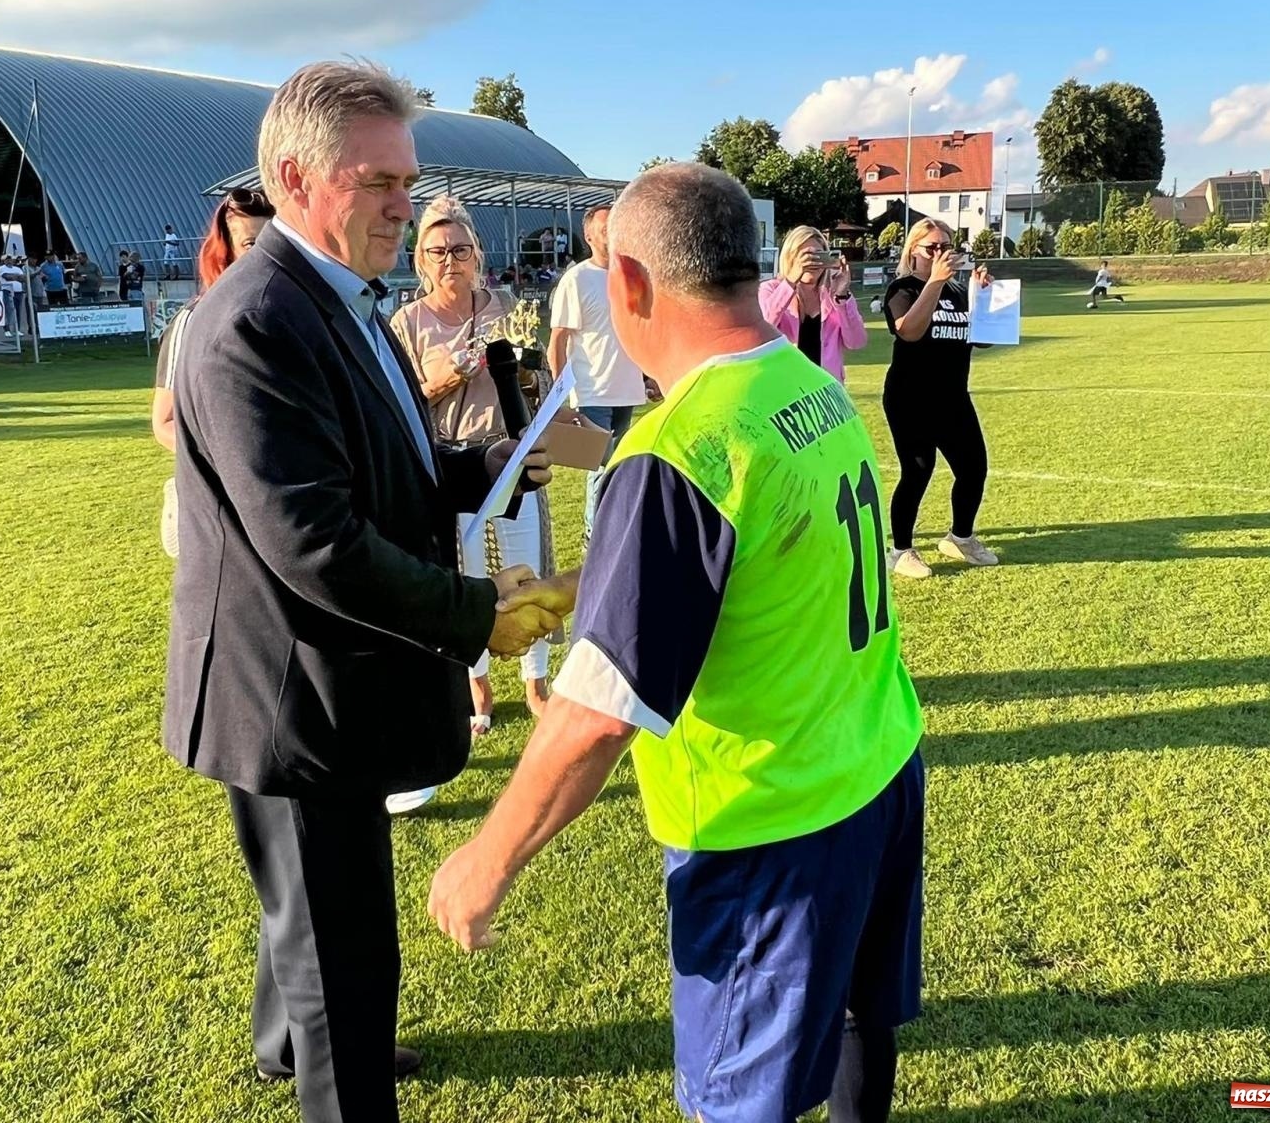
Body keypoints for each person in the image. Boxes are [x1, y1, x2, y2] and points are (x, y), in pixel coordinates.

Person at [428, 163, 927, 1123]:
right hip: (879, 767)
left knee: (740, 1101)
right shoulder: (804, 383)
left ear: (630, 284)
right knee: (863, 1027)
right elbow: (766, 558)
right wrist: (582, 587)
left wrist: (486, 857)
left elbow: (594, 717)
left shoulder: (680, 446)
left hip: (766, 827)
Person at [163, 60, 558, 1123]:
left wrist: (493, 467)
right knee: (344, 967)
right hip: (294, 699)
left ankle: (282, 1047)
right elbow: (315, 542)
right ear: (295, 177)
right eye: (379, 183)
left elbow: (388, 460)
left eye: (408, 181)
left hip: (317, 689)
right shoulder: (255, 320)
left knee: (311, 914)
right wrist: (480, 614)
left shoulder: (337, 300)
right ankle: (319, 1061)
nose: (405, 207)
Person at [391, 195, 553, 748]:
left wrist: (529, 373)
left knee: (526, 569)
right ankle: (477, 684)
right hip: (449, 462)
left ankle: (536, 682)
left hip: (511, 454)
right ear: (420, 260)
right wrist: (446, 379)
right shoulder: (407, 322)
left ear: (477, 253)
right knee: (465, 578)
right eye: (436, 251)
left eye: (459, 248)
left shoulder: (507, 306)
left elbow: (539, 380)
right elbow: (402, 405)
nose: (449, 260)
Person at [151, 187, 276, 555]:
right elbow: (164, 422)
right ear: (226, 251)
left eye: (271, 239)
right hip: (218, 505)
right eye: (251, 244)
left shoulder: (292, 321)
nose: (265, 253)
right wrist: (238, 458)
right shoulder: (192, 321)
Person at [879, 219, 999, 579]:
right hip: (909, 397)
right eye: (932, 247)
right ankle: (900, 550)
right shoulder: (902, 290)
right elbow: (910, 332)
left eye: (946, 247)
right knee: (917, 471)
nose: (941, 253)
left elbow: (982, 339)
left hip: (953, 397)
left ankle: (960, 537)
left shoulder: (958, 291)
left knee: (973, 468)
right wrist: (934, 282)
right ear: (913, 252)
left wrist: (985, 299)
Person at [549, 203, 647, 542]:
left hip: (627, 390)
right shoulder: (576, 280)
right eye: (606, 227)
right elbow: (558, 340)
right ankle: (595, 539)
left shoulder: (629, 275)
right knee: (599, 468)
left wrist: (648, 376)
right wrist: (559, 394)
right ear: (589, 235)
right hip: (593, 391)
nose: (613, 232)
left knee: (617, 467)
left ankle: (612, 532)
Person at [759, 225, 866, 383]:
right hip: (786, 389)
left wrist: (842, 297)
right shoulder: (770, 290)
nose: (813, 262)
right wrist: (789, 284)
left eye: (819, 256)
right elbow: (764, 327)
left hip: (826, 393)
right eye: (806, 256)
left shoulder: (834, 295)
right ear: (790, 258)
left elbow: (856, 342)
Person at [0, 253, 27, 331]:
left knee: (18, 311)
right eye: (7, 259)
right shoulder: (2, 268)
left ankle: (17, 329)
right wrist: (17, 277)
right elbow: (6, 277)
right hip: (8, 291)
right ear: (4, 261)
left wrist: (14, 277)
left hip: (18, 292)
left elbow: (23, 278)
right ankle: (7, 329)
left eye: (10, 259)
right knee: (8, 310)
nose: (9, 261)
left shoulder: (17, 269)